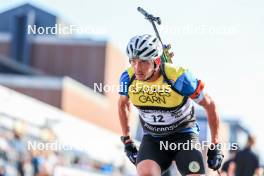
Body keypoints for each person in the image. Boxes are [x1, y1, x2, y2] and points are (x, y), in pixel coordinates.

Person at [118, 34, 224, 175]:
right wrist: (127, 140)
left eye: (143, 62)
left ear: (156, 61)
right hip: (153, 139)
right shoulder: (128, 78)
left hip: (183, 136)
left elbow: (210, 105)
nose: (137, 68)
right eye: (133, 61)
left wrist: (216, 144)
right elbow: (123, 105)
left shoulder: (178, 77)